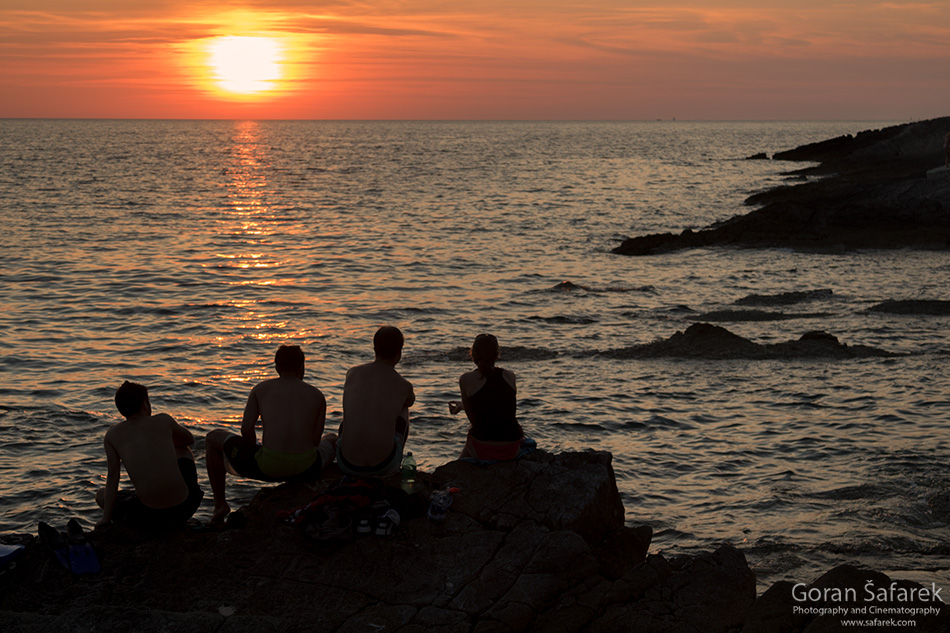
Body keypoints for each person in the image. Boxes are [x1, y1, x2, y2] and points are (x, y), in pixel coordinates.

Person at [205, 345, 336, 523]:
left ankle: (220, 504)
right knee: (332, 439)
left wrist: (252, 449)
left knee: (213, 437)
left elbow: (246, 429)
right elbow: (314, 441)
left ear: (276, 367)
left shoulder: (260, 389)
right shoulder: (317, 395)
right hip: (307, 468)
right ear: (302, 367)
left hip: (268, 467)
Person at [97, 381, 203, 530]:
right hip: (185, 507)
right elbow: (189, 440)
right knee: (182, 449)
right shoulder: (163, 420)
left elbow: (113, 475)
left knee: (101, 494)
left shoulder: (112, 435)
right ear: (145, 405)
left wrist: (106, 519)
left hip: (147, 517)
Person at [337, 326, 415, 477]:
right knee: (404, 407)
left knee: (352, 413)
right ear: (399, 352)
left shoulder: (352, 373)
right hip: (382, 466)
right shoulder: (403, 384)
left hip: (346, 463)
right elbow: (410, 401)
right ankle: (395, 465)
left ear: (374, 348)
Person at [448, 334, 526, 461]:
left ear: (473, 354)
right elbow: (502, 409)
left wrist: (463, 406)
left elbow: (474, 421)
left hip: (483, 448)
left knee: (473, 435)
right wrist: (462, 406)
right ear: (496, 354)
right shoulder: (509, 375)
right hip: (512, 447)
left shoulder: (466, 379)